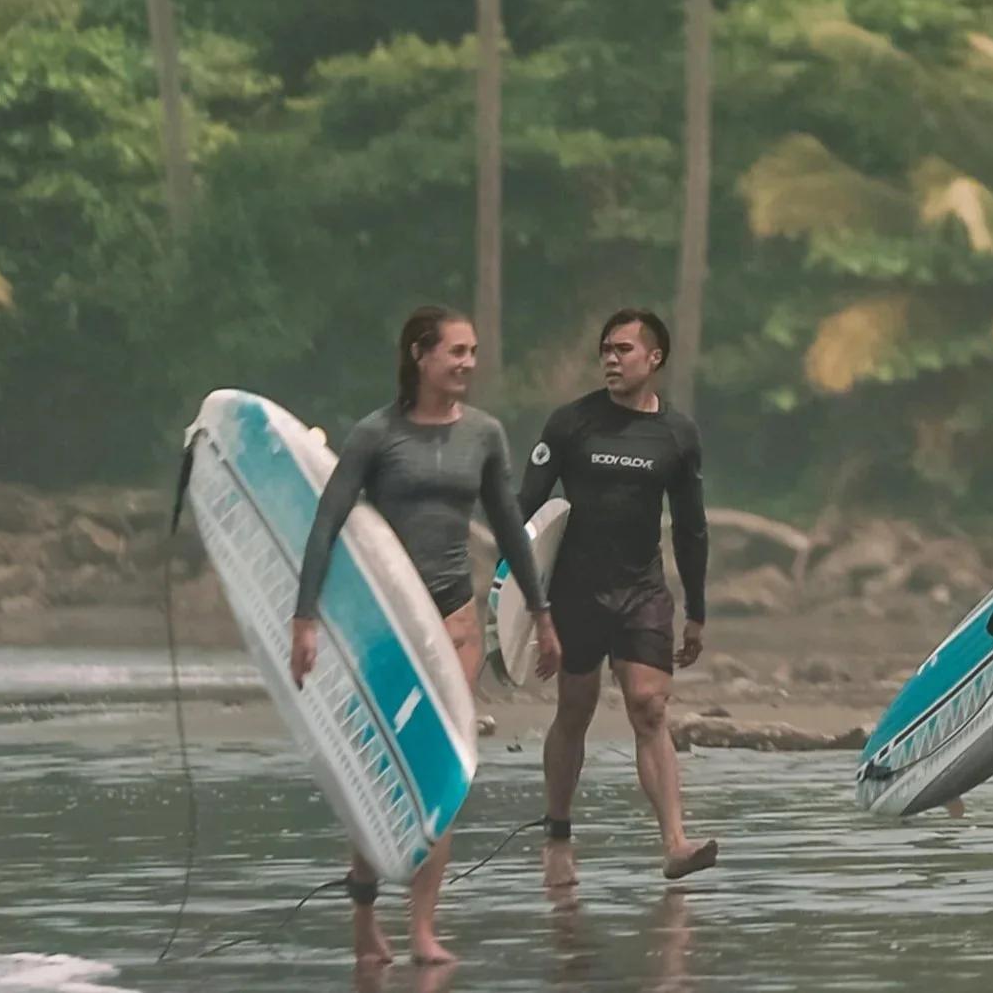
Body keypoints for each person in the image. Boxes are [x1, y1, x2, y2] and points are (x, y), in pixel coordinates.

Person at [289, 305, 562, 966]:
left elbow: (508, 526)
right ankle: (364, 921)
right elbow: (326, 524)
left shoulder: (485, 434)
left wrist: (542, 615)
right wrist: (305, 618)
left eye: (472, 352)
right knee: (379, 767)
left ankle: (422, 928)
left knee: (441, 772)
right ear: (420, 354)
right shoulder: (375, 435)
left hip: (453, 618)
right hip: (384, 623)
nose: (469, 362)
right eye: (457, 352)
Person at [519, 307, 714, 887]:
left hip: (642, 590)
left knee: (650, 709)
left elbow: (691, 528)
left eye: (623, 349)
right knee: (573, 710)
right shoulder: (571, 424)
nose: (610, 357)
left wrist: (697, 610)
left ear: (654, 359)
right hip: (576, 592)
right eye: (605, 348)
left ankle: (676, 844)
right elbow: (522, 511)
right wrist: (529, 604)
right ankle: (558, 838)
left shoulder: (677, 435)